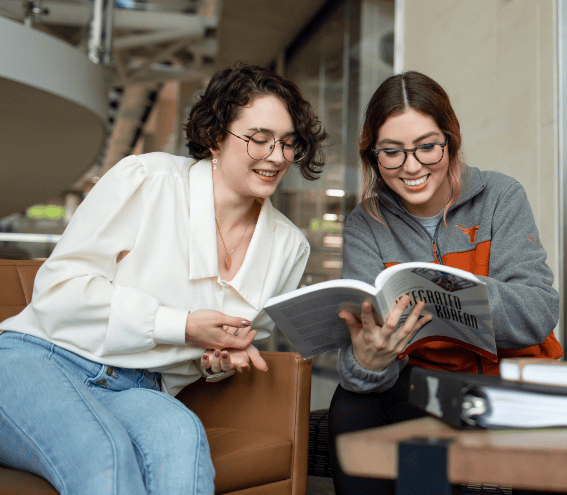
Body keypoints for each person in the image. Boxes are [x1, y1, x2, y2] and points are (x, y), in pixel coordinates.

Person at [0, 63, 326, 494]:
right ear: (214, 137)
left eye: (288, 143)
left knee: (183, 443)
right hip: (40, 359)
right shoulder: (148, 180)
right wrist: (184, 325)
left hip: (142, 387)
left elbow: (226, 349)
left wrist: (216, 363)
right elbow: (58, 291)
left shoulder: (289, 247)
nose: (277, 156)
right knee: (105, 455)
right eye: (259, 139)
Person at [327, 71, 563, 494]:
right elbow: (355, 366)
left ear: (450, 140)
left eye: (427, 147)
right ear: (373, 155)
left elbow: (539, 312)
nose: (412, 166)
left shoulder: (501, 197)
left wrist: (454, 289)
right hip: (424, 385)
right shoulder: (366, 224)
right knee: (352, 405)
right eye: (392, 153)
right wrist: (369, 360)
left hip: (507, 377)